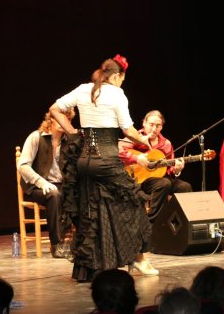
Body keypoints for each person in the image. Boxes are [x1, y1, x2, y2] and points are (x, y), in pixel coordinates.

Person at [49, 54, 158, 282]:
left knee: (93, 212)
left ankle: (92, 268)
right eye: (122, 79)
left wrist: (73, 132)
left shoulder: (83, 89)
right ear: (117, 76)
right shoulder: (117, 93)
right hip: (107, 161)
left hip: (85, 162)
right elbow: (127, 130)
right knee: (135, 202)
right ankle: (138, 257)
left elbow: (54, 109)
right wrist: (143, 140)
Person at [17, 109, 76, 259]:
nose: (65, 122)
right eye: (62, 118)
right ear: (52, 119)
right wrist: (41, 182)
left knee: (79, 193)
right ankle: (56, 244)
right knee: (54, 194)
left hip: (61, 185)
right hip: (37, 187)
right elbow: (23, 165)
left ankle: (73, 242)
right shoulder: (36, 137)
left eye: (68, 119)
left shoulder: (67, 141)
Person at [118, 110, 192, 222]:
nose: (154, 129)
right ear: (144, 123)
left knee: (185, 186)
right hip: (139, 179)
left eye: (158, 126)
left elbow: (169, 170)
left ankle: (178, 222)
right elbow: (118, 152)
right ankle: (152, 223)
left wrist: (176, 170)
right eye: (151, 125)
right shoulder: (135, 137)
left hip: (161, 178)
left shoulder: (166, 144)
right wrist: (137, 159)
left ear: (161, 127)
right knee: (164, 184)